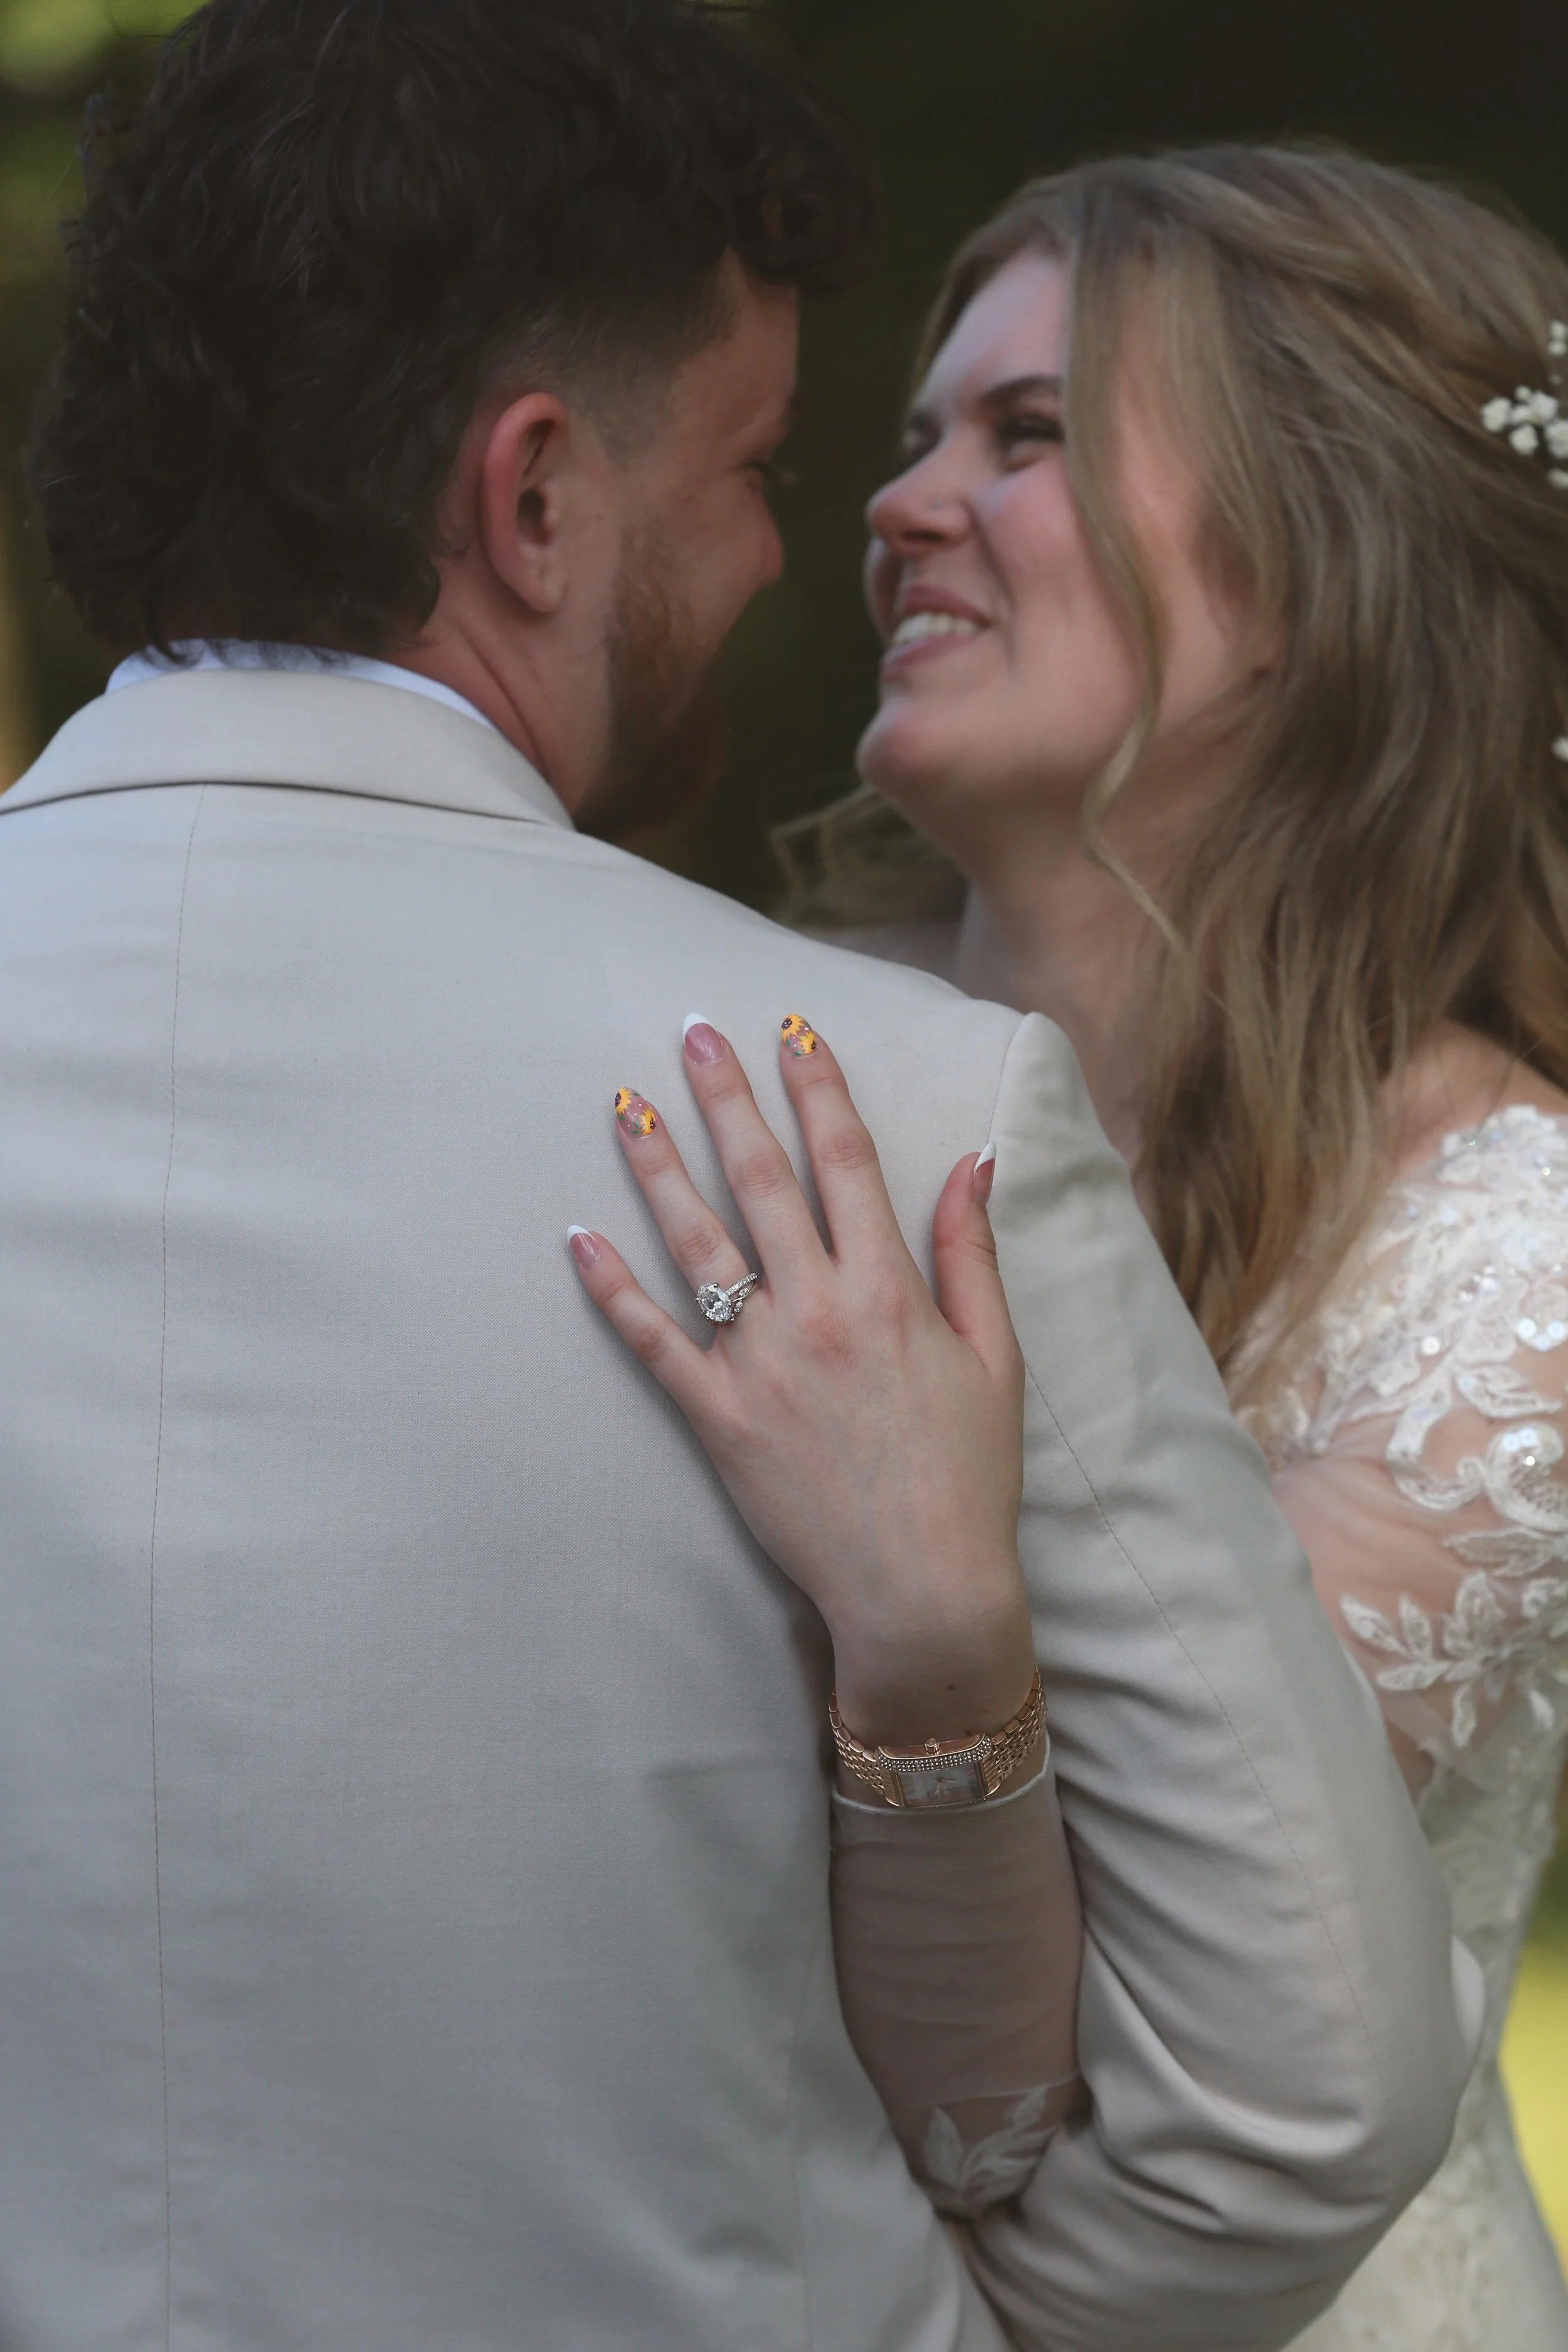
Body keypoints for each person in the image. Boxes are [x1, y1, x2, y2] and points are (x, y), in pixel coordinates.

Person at [0, 6, 1474, 2343]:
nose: (809, 542)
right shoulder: (876, 1114)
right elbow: (1297, 2105)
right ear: (539, 496)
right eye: (761, 462)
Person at [748, 146, 1568, 2349]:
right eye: (920, 434)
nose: (898, 502)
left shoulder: (1515, 1275)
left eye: (1023, 438)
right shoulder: (749, 1049)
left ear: (1315, 564)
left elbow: (1112, 1960)